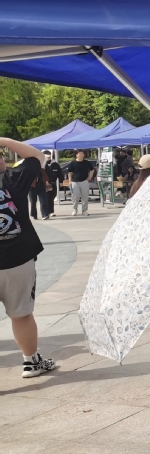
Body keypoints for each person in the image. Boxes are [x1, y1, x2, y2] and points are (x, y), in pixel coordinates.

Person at [0, 137, 57, 378]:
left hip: (19, 259)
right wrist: (3, 139)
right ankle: (31, 362)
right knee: (21, 314)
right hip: (18, 260)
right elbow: (37, 157)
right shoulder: (13, 179)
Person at [64, 149, 95, 216]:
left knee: (85, 197)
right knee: (75, 196)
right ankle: (75, 209)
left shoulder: (86, 162)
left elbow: (92, 169)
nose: (81, 155)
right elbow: (70, 172)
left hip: (84, 181)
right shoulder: (73, 163)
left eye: (82, 154)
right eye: (79, 154)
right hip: (74, 182)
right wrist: (70, 181)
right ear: (76, 155)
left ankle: (84, 210)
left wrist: (89, 177)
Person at [43, 152, 62, 218]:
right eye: (46, 157)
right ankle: (47, 212)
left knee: (51, 198)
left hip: (53, 183)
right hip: (44, 184)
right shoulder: (42, 164)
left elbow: (60, 173)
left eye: (49, 157)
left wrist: (61, 181)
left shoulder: (55, 164)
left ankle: (50, 211)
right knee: (46, 198)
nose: (48, 158)